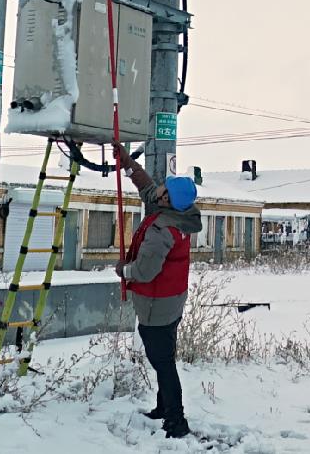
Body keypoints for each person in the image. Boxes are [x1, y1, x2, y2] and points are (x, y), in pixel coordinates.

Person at [113, 145, 202, 439]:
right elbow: (147, 187)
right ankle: (164, 408)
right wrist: (127, 163)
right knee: (165, 355)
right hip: (173, 299)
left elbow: (145, 270)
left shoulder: (162, 229)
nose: (159, 188)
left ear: (167, 199)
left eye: (164, 188)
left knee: (162, 361)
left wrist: (123, 270)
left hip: (157, 303)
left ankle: (176, 422)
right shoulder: (181, 214)